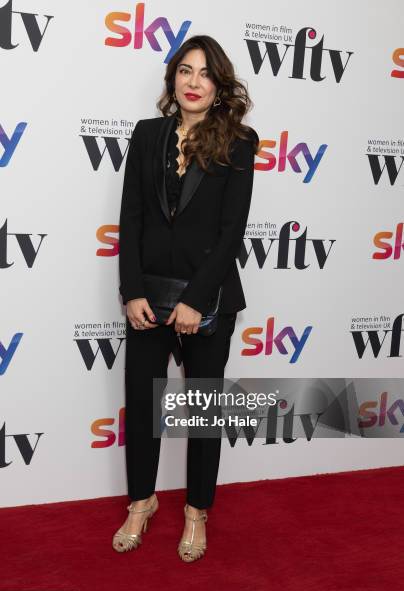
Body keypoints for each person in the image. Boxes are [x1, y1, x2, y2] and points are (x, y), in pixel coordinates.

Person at [112, 34, 259, 562]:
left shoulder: (239, 141)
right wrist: (131, 291)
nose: (193, 82)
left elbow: (230, 232)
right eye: (185, 71)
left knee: (201, 415)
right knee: (145, 408)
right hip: (147, 298)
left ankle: (196, 512)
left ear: (219, 87)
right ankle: (141, 502)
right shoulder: (146, 135)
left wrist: (198, 298)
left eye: (205, 74)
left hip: (208, 300)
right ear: (172, 79)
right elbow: (130, 219)